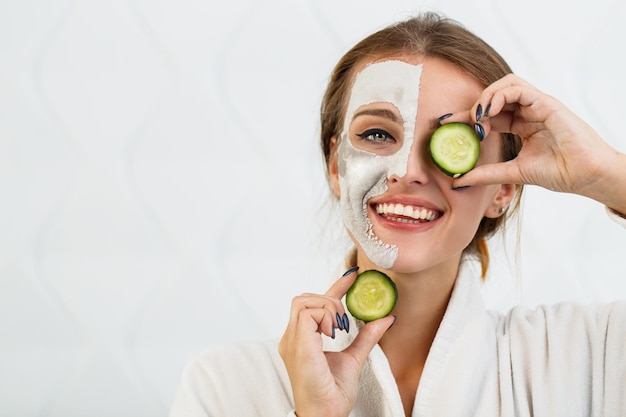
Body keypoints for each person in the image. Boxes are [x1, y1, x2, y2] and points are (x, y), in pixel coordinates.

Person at [168, 11, 626, 417]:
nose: (407, 171)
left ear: (503, 188)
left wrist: (601, 172)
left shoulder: (593, 353)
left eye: (452, 144)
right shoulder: (223, 388)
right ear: (335, 166)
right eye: (377, 135)